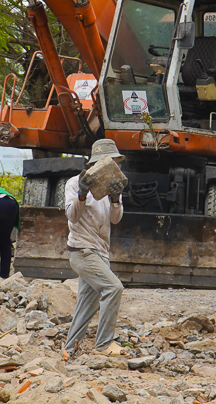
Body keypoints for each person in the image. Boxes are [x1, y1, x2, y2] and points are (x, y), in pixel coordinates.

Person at [63, 139, 127, 357]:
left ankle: (69, 349)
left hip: (100, 252)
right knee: (113, 288)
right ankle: (103, 344)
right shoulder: (74, 183)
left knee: (87, 304)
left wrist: (116, 199)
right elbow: (72, 216)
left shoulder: (111, 185)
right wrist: (82, 194)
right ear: (100, 162)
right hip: (82, 250)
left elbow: (116, 219)